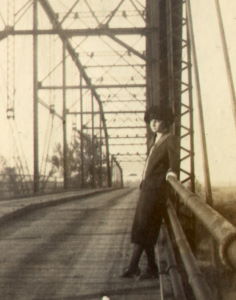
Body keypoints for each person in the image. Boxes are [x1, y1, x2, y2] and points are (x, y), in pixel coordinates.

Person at [121, 105, 178, 279]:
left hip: (156, 191)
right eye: (150, 120)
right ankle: (151, 267)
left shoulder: (169, 139)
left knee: (144, 228)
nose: (153, 123)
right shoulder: (155, 140)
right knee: (144, 228)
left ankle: (133, 267)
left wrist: (171, 174)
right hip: (147, 189)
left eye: (157, 120)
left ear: (166, 121)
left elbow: (174, 163)